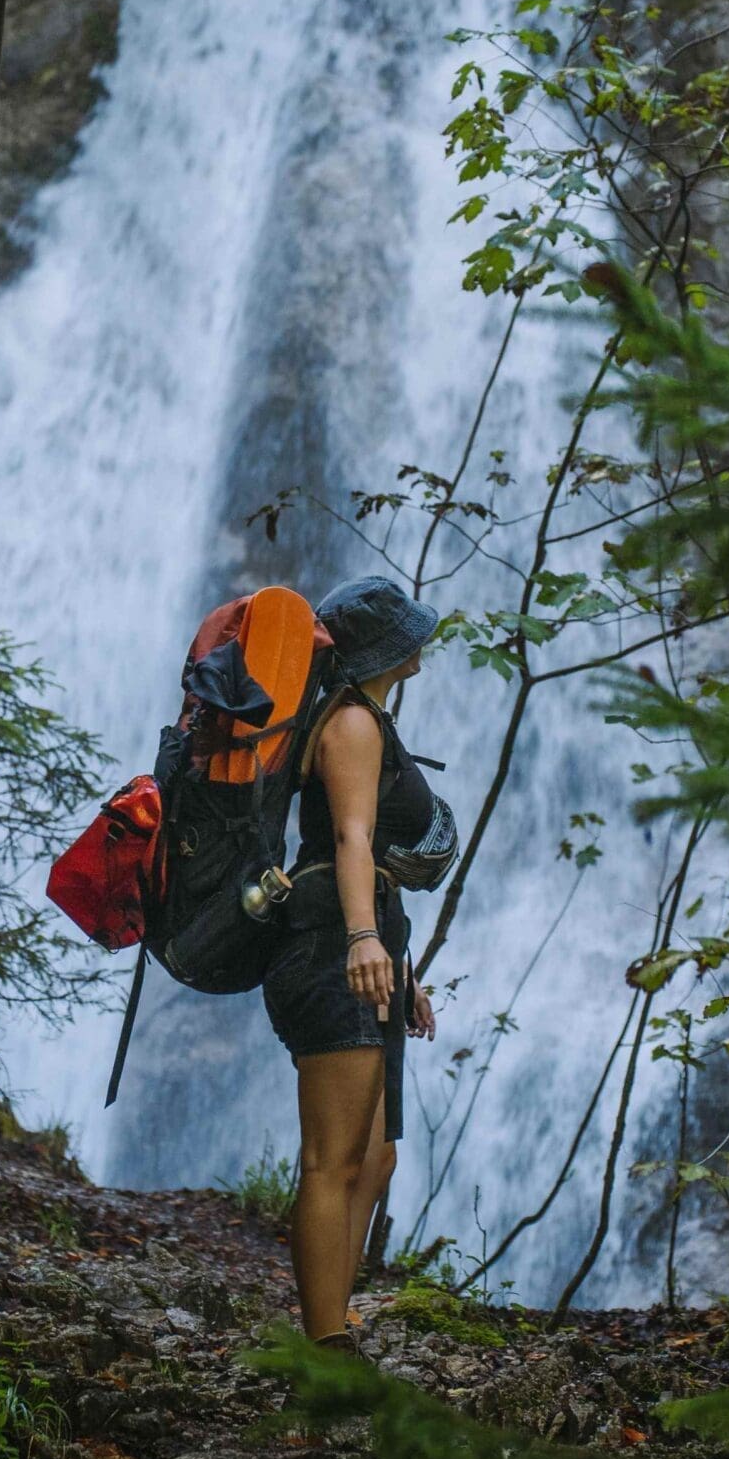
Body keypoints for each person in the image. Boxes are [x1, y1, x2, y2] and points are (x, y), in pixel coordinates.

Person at [264, 575, 460, 1349]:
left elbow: (367, 854)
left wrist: (397, 964)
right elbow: (347, 839)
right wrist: (359, 940)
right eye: (409, 635)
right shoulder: (349, 723)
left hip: (363, 936)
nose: (422, 645)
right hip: (327, 944)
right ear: (386, 649)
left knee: (373, 1159)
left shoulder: (366, 718)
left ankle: (333, 1316)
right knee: (332, 1158)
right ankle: (325, 1347)